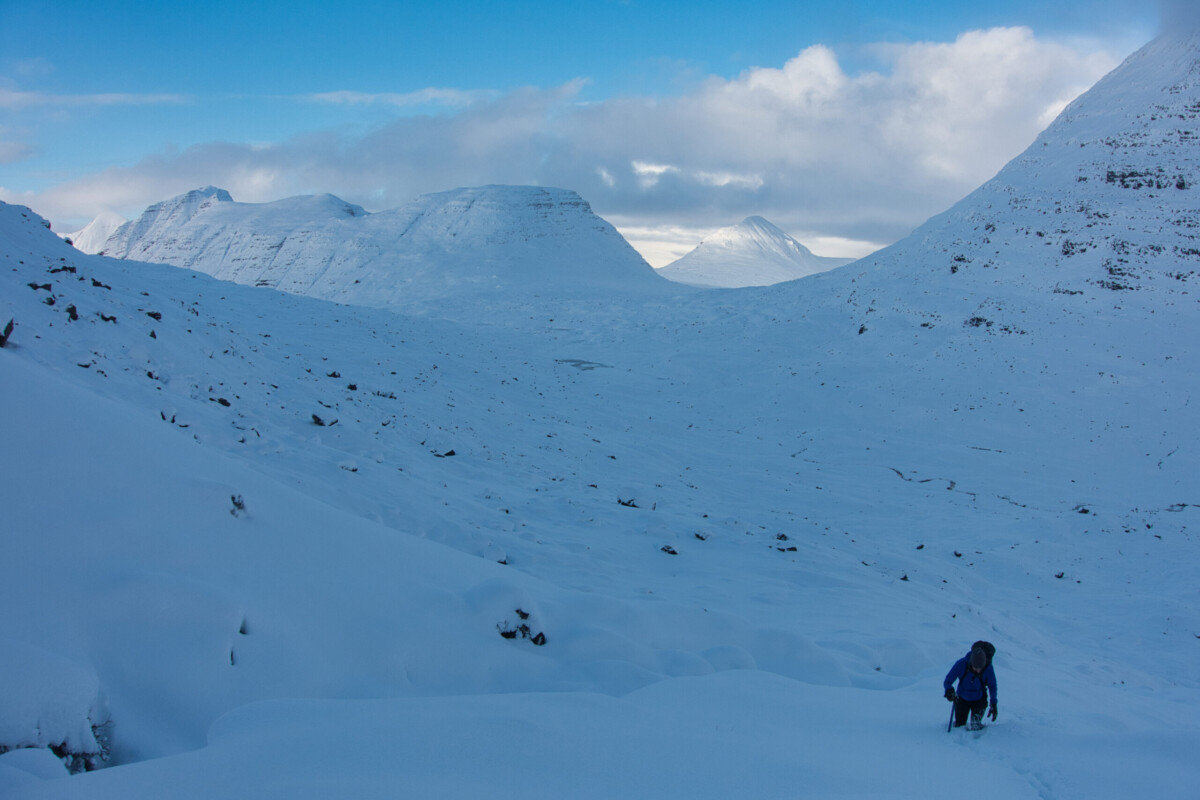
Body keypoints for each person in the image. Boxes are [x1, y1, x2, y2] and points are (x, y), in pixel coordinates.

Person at [944, 640, 997, 729]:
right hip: (962, 698)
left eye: (980, 668)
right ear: (971, 663)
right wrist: (949, 690)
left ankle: (977, 728)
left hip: (979, 699)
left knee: (975, 725)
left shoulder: (988, 668)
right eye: (975, 667)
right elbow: (948, 681)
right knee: (959, 725)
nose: (978, 670)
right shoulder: (961, 664)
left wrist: (994, 703)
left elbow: (992, 686)